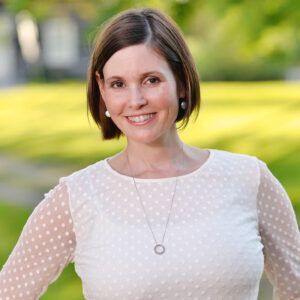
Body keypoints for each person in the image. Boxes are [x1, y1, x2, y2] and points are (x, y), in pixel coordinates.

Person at [0, 7, 299, 300]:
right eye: (118, 84)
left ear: (181, 81)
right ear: (102, 90)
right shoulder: (77, 197)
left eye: (151, 80)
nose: (136, 100)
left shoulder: (248, 178)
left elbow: (295, 286)